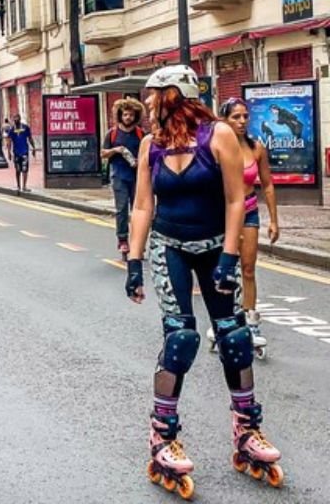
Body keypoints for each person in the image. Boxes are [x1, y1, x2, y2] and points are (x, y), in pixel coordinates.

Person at [124, 66, 281, 497]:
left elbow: (235, 199)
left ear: (175, 95)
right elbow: (142, 206)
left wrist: (229, 256)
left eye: (154, 94)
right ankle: (162, 436)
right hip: (168, 246)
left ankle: (247, 430)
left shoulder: (218, 135)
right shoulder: (151, 144)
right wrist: (134, 261)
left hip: (215, 244)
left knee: (235, 336)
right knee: (180, 339)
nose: (148, 102)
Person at [205, 98, 280, 358]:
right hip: (222, 214)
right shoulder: (214, 146)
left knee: (248, 268)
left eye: (245, 116)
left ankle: (251, 320)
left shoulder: (256, 148)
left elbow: (267, 185)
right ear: (224, 120)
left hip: (248, 211)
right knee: (225, 269)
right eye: (235, 117)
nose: (242, 121)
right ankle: (222, 318)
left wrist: (274, 220)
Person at [101, 98, 145, 259]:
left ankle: (138, 242)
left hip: (137, 177)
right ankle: (122, 240)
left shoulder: (141, 134)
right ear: (120, 115)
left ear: (136, 116)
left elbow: (147, 153)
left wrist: (141, 161)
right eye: (125, 114)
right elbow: (103, 153)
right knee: (121, 210)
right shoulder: (112, 133)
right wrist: (116, 150)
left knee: (138, 210)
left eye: (131, 115)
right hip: (119, 176)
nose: (128, 118)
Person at [3, 113, 36, 193]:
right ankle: (18, 186)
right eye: (14, 119)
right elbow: (9, 141)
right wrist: (9, 153)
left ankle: (24, 186)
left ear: (20, 119)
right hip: (16, 152)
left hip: (24, 151)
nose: (16, 120)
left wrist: (34, 148)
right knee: (17, 170)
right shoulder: (12, 129)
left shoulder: (25, 127)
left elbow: (30, 138)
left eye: (17, 118)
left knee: (25, 169)